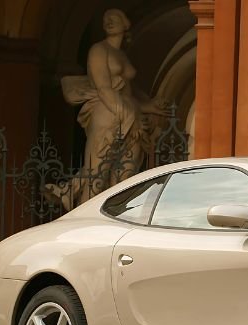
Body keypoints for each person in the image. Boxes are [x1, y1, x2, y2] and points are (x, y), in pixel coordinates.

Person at [47, 9, 166, 210]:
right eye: (105, 19)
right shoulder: (98, 50)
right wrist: (126, 114)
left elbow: (128, 93)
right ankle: (82, 222)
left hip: (129, 114)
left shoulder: (121, 54)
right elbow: (103, 87)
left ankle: (113, 218)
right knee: (97, 174)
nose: (109, 21)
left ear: (125, 23)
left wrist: (147, 107)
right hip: (108, 112)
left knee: (125, 177)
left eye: (115, 18)